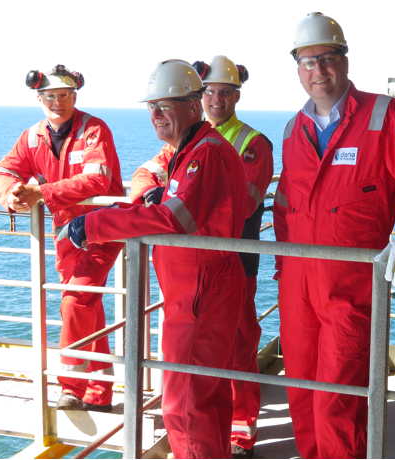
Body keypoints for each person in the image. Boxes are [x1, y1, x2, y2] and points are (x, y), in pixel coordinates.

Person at [272, 12, 395, 459]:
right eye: (308, 62)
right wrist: (281, 271)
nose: (319, 71)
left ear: (345, 60)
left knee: (339, 401)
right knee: (300, 392)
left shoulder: (382, 115)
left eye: (328, 58)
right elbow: (283, 207)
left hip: (350, 290)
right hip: (297, 285)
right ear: (297, 69)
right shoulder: (295, 129)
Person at [58, 59, 249, 459]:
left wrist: (93, 224)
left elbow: (174, 218)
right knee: (207, 400)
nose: (156, 114)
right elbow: (169, 198)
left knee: (184, 406)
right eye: (152, 107)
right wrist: (152, 197)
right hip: (199, 289)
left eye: (167, 105)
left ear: (194, 106)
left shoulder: (205, 153)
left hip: (201, 293)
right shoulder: (191, 149)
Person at [129, 55, 273, 459]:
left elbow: (240, 203)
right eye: (211, 91)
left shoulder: (250, 143)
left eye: (225, 92)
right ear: (199, 96)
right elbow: (142, 177)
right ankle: (222, 438)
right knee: (208, 368)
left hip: (233, 259)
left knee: (239, 349)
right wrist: (154, 194)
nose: (217, 99)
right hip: (197, 268)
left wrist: (173, 194)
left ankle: (241, 434)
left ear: (236, 96)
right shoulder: (182, 142)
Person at [0, 64, 125, 412]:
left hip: (101, 229)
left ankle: (72, 387)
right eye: (50, 96)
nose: (57, 102)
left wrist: (41, 193)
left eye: (64, 96)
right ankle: (100, 391)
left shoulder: (94, 130)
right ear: (39, 98)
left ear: (74, 97)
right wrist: (13, 194)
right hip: (65, 234)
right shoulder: (33, 137)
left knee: (75, 301)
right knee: (87, 309)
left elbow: (97, 183)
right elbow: (1, 171)